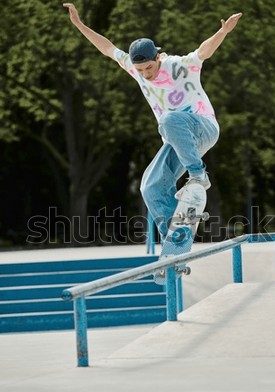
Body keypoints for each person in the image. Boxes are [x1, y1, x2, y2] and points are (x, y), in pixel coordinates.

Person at [63, 3, 242, 240]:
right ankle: (175, 237)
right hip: (179, 141)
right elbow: (107, 47)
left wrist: (222, 33)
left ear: (158, 57)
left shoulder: (178, 65)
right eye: (141, 69)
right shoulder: (135, 69)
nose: (146, 74)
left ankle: (199, 175)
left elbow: (203, 51)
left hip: (202, 127)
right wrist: (79, 24)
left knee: (168, 120)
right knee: (150, 187)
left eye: (149, 67)